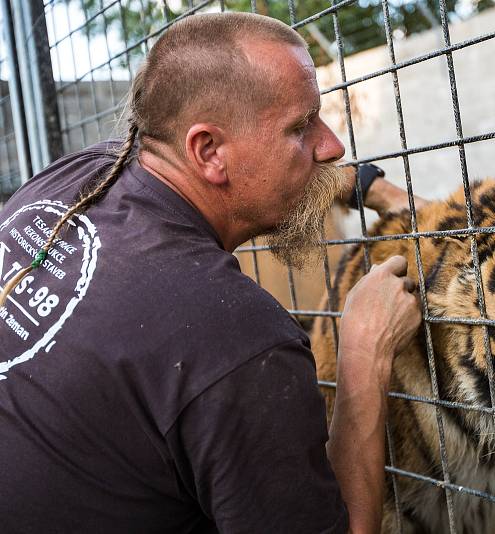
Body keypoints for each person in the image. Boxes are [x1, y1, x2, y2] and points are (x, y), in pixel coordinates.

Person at [0, 12, 421, 534]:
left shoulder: (75, 176)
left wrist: (372, 189)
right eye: (300, 127)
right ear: (207, 151)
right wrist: (363, 352)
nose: (331, 145)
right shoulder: (237, 341)